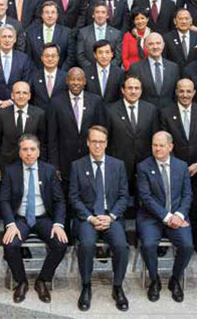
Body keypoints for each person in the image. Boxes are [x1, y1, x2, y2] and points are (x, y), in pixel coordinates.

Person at [69, 126, 130, 311]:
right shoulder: (77, 165)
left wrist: (111, 217)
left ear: (106, 143)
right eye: (94, 141)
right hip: (87, 218)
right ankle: (86, 286)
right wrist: (90, 218)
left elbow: (123, 196)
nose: (97, 145)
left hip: (111, 217)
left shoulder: (117, 165)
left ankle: (118, 286)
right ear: (87, 143)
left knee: (121, 246)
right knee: (86, 245)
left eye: (101, 142)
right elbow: (74, 197)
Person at [1, 134, 67, 303]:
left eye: (32, 149)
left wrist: (58, 224)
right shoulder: (10, 171)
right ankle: (21, 281)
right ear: (20, 152)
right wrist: (10, 224)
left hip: (43, 217)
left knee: (60, 244)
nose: (29, 153)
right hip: (20, 219)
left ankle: (42, 280)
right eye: (25, 149)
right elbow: (4, 200)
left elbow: (59, 200)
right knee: (10, 244)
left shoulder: (49, 170)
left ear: (38, 152)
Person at [136, 131, 194, 303]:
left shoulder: (181, 166)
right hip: (151, 217)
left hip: (178, 215)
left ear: (170, 146)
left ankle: (175, 280)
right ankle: (154, 281)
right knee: (148, 245)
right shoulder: (144, 167)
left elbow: (187, 194)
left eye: (161, 145)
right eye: (155, 145)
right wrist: (168, 217)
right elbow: (146, 198)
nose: (157, 149)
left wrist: (179, 215)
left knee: (187, 245)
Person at [47, 68, 105, 234]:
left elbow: (101, 132)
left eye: (79, 80)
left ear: (85, 81)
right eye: (72, 79)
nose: (76, 83)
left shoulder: (95, 101)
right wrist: (54, 165)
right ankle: (65, 238)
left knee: (91, 199)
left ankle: (95, 237)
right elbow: (52, 136)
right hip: (65, 162)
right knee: (64, 201)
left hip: (90, 161)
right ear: (67, 81)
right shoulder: (56, 102)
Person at [159, 78, 197, 253]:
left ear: (194, 93)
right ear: (176, 92)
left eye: (189, 91)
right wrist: (179, 166)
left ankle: (196, 241)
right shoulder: (166, 112)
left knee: (196, 206)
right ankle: (166, 241)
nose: (185, 95)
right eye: (181, 91)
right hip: (173, 168)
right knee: (170, 203)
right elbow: (165, 142)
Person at [105, 76, 160, 201]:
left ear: (141, 91)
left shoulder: (151, 109)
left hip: (144, 162)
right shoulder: (110, 110)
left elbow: (155, 136)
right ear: (123, 90)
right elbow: (107, 138)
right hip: (119, 163)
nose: (133, 91)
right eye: (130, 88)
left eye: (137, 88)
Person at [0, 81, 47, 177]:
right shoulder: (2, 114)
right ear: (12, 95)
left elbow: (43, 143)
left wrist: (42, 166)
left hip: (32, 165)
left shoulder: (39, 114)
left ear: (29, 96)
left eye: (24, 93)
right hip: (7, 166)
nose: (21, 96)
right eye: (18, 93)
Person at [127, 32, 180, 109]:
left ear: (163, 45)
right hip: (145, 113)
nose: (155, 47)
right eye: (151, 44)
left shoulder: (173, 67)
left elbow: (176, 93)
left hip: (168, 114)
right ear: (145, 46)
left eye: (158, 43)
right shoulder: (135, 68)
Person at [25, 1, 74, 70]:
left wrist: (60, 73)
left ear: (57, 15)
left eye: (53, 12)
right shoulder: (31, 33)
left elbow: (70, 57)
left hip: (60, 75)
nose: (50, 15)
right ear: (42, 15)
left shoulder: (67, 33)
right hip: (37, 75)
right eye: (47, 12)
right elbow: (28, 57)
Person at [77, 1, 124, 68]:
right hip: (89, 73)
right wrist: (93, 70)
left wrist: (108, 68)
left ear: (107, 15)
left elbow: (118, 57)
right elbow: (80, 56)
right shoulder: (83, 32)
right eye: (97, 12)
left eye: (103, 12)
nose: (100, 15)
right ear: (93, 15)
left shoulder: (116, 34)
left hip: (110, 73)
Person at [28, 43, 68, 110]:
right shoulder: (33, 76)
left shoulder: (66, 77)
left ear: (58, 58)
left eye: (53, 56)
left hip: (59, 116)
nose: (50, 59)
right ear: (42, 58)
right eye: (47, 56)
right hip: (39, 116)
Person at [163, 9, 197, 73]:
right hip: (174, 75)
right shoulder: (167, 38)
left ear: (191, 21)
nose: (184, 21)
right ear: (175, 21)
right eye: (180, 19)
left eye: (186, 19)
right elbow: (164, 59)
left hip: (195, 75)